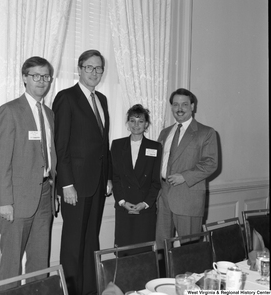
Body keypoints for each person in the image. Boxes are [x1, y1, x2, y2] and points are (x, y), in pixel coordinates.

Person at [0, 56, 57, 290]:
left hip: (45, 196)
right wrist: (5, 202)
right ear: (24, 78)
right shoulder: (9, 111)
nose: (41, 81)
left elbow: (50, 155)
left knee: (40, 263)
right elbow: (0, 161)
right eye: (36, 76)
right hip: (16, 200)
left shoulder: (49, 114)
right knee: (11, 263)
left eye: (46, 76)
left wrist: (54, 190)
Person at [52, 49, 113, 295]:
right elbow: (61, 145)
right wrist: (66, 184)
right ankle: (71, 291)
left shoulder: (103, 100)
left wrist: (107, 176)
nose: (94, 72)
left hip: (97, 183)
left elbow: (103, 143)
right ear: (79, 68)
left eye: (98, 68)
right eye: (89, 67)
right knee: (73, 244)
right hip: (75, 185)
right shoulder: (66, 97)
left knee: (91, 242)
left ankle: (89, 290)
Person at [156, 88, 218, 249]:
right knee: (162, 248)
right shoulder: (165, 133)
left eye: (184, 104)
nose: (179, 108)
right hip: (163, 197)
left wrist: (184, 176)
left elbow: (211, 163)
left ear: (192, 106)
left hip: (188, 197)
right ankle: (164, 275)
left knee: (190, 250)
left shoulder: (206, 133)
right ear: (171, 107)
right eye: (175, 104)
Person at [111, 104, 162, 255]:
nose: (136, 125)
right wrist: (122, 202)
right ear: (127, 124)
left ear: (146, 124)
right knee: (123, 250)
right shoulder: (117, 145)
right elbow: (115, 177)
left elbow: (155, 181)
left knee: (143, 252)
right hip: (124, 205)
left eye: (140, 121)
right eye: (132, 121)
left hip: (145, 208)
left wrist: (145, 204)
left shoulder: (155, 147)